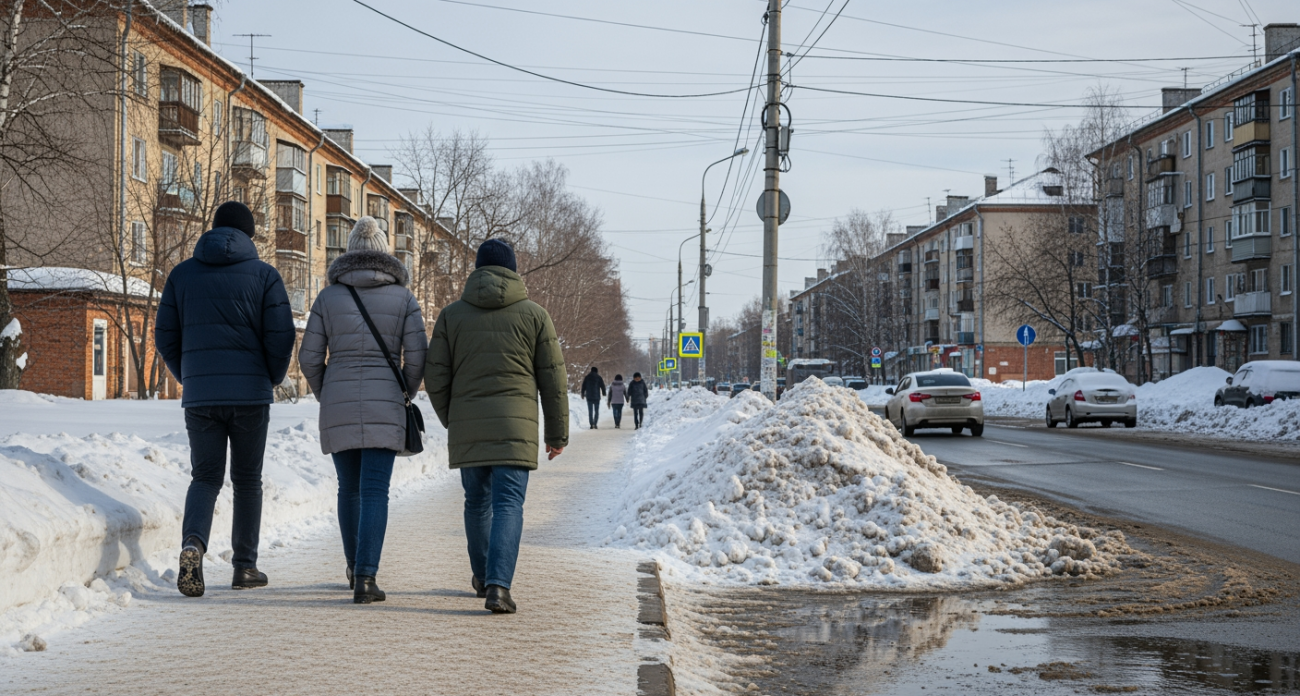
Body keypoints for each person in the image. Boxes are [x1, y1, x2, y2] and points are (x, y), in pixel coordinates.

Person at [155, 201, 295, 598]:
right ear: (249, 235)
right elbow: (281, 336)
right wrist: (270, 377)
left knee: (205, 477)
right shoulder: (266, 276)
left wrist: (191, 376)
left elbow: (164, 335)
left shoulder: (181, 275)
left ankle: (192, 546)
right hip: (250, 395)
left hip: (201, 397)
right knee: (247, 480)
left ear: (213, 230)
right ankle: (244, 568)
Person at [426, 238, 568, 614]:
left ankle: (482, 576)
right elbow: (554, 380)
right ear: (514, 271)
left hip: (469, 427)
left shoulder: (451, 315)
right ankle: (499, 587)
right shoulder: (535, 315)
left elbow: (435, 377)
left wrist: (454, 419)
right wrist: (556, 435)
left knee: (476, 502)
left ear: (477, 270)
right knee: (508, 505)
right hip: (515, 429)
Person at [298, 217, 427, 604]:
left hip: (337, 398)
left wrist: (327, 391)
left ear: (350, 250)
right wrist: (403, 390)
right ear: (385, 250)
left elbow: (307, 357)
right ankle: (367, 579)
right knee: (375, 491)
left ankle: (354, 567)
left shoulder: (327, 297)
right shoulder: (404, 299)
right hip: (386, 400)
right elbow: (418, 356)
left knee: (348, 489)